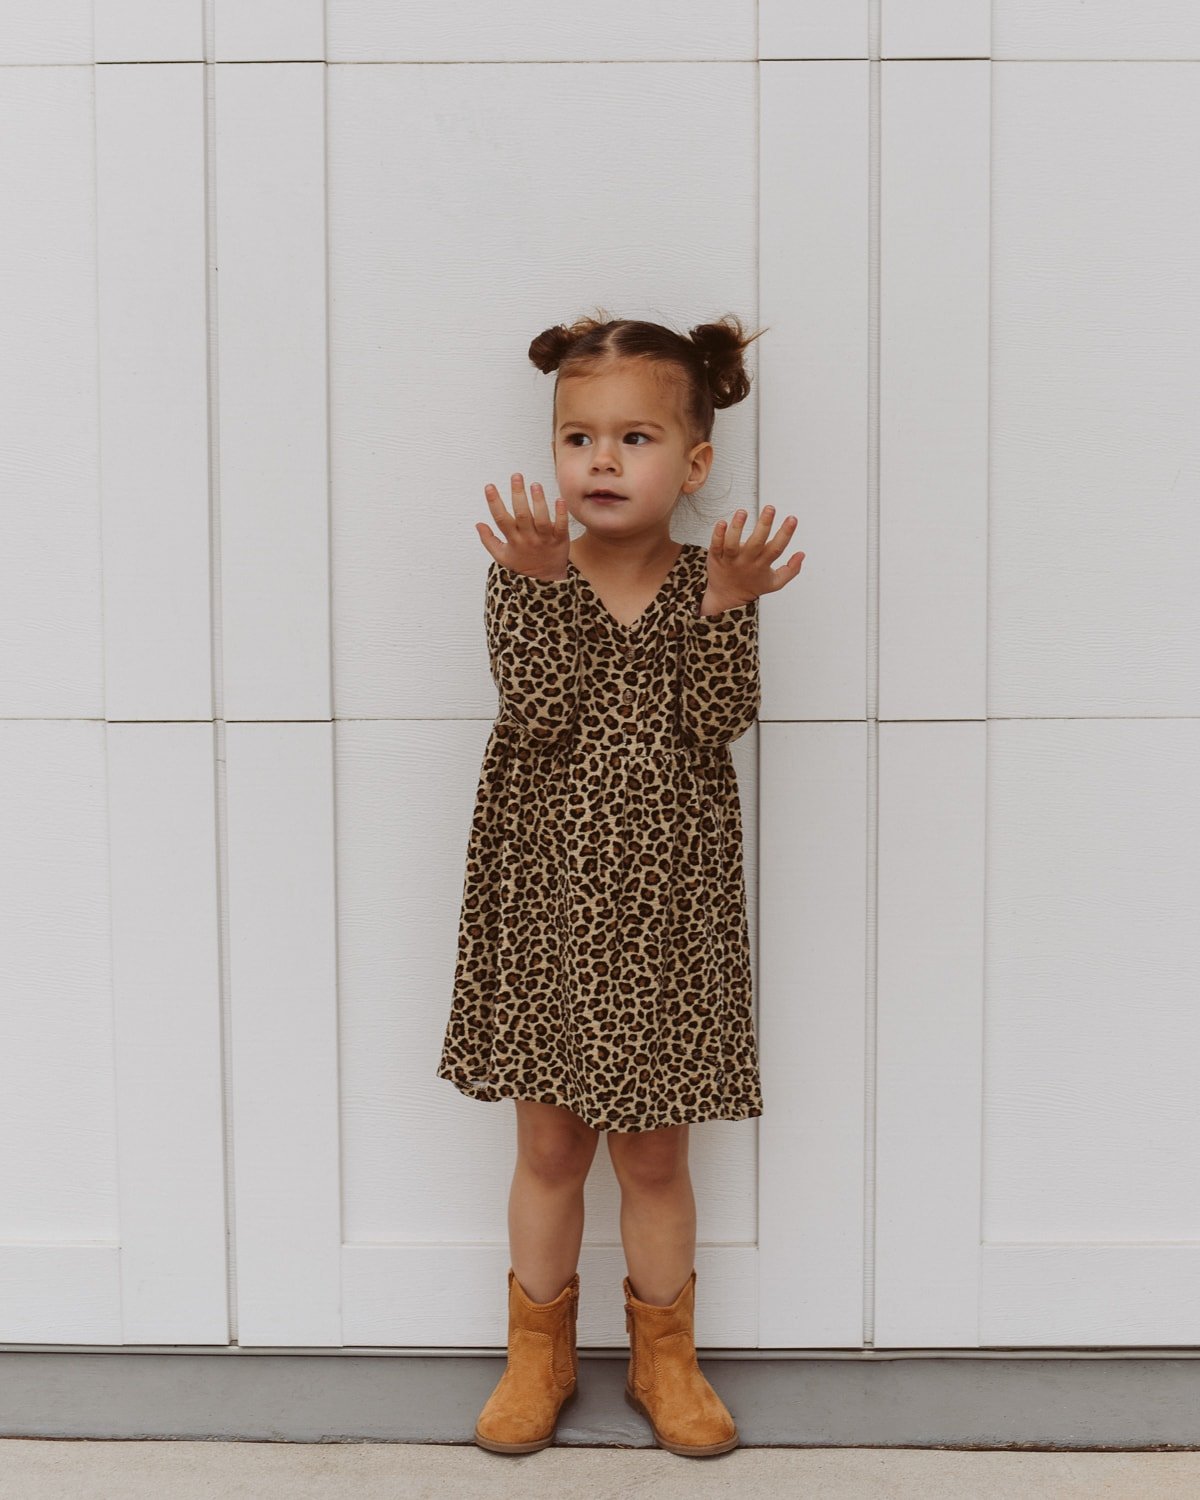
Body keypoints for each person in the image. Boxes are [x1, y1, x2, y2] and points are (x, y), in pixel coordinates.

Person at [436, 310, 806, 1458]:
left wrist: (731, 606)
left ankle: (666, 1359)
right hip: (546, 910)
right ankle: (536, 1357)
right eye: (579, 438)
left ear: (693, 465)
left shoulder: (708, 582)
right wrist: (538, 587)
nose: (602, 460)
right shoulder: (528, 573)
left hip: (669, 924)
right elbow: (542, 716)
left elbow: (718, 720)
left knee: (653, 1153)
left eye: (635, 438)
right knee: (550, 1149)